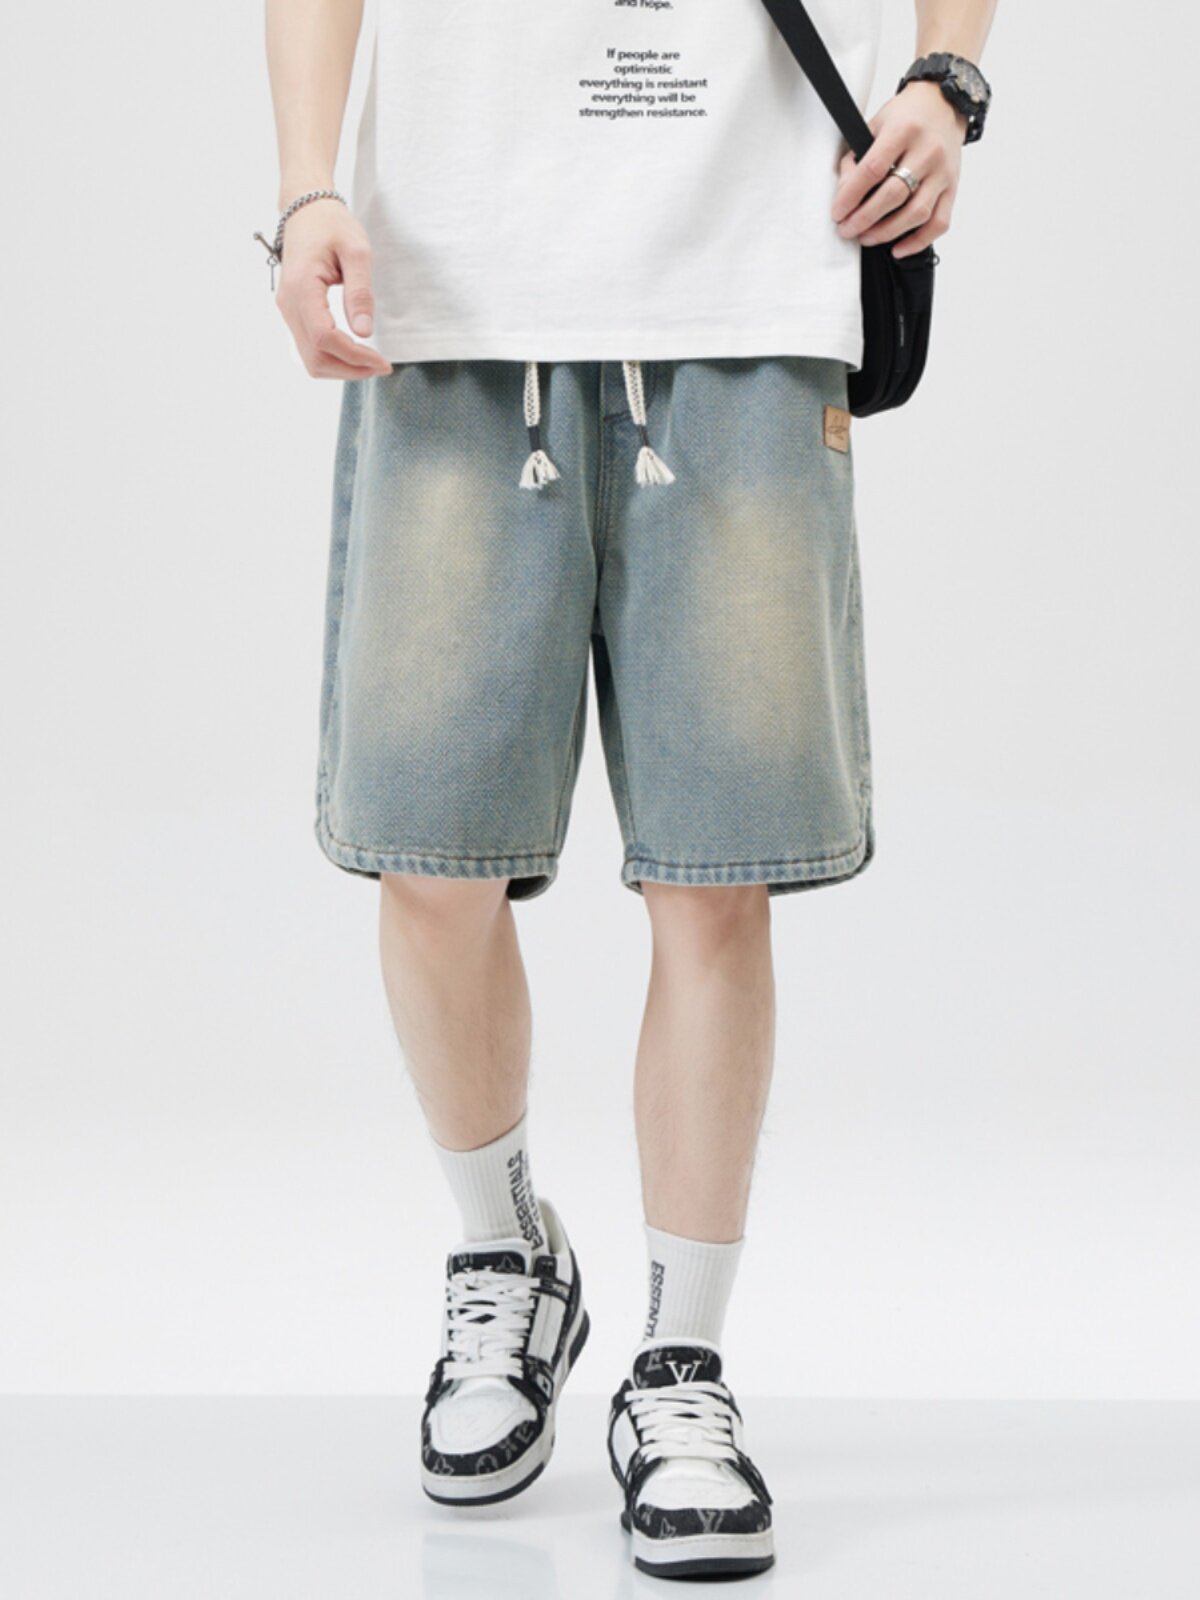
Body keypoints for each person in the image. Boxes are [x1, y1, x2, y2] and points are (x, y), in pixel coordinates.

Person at [260, 0, 995, 1578]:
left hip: (750, 272)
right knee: (430, 858)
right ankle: (507, 1254)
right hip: (451, 286)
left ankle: (683, 1362)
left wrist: (948, 80)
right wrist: (308, 180)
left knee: (716, 880)